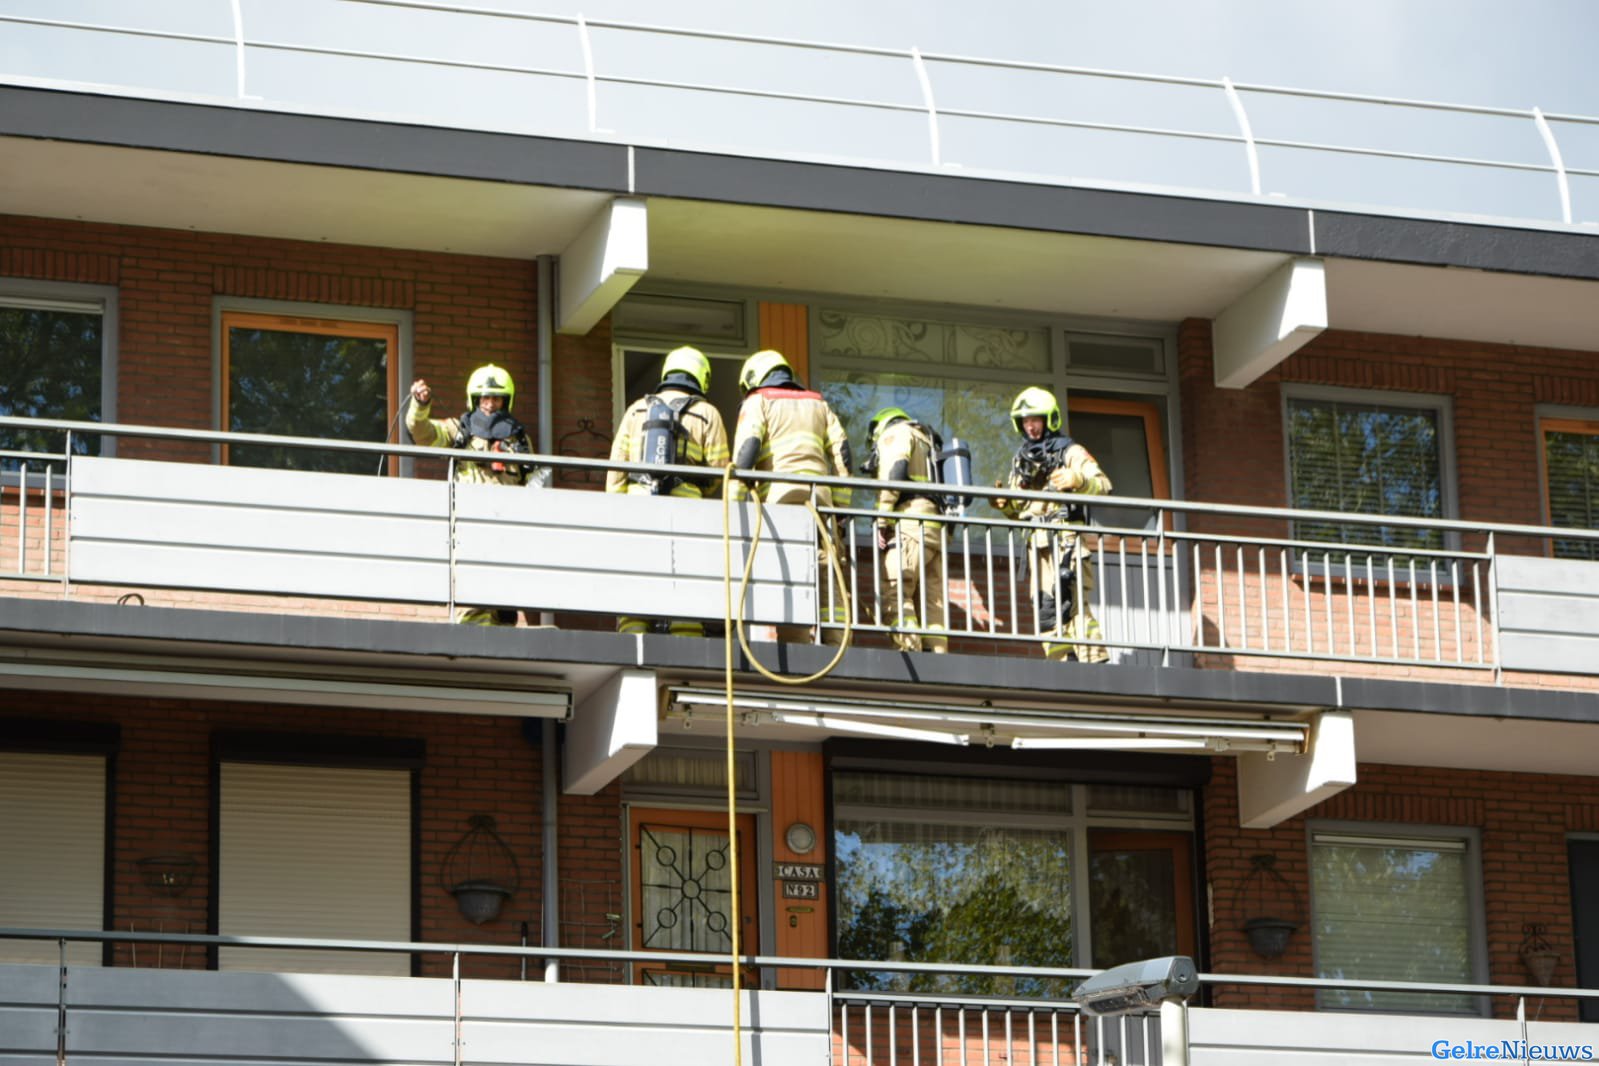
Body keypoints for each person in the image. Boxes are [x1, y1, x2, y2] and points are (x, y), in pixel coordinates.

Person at [606, 345, 731, 637]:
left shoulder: (636, 409)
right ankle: (686, 643)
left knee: (637, 579)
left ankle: (633, 637)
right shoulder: (707, 414)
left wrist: (617, 512)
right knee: (684, 580)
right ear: (702, 377)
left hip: (638, 511)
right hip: (686, 515)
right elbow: (720, 471)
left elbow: (616, 471)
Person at [730, 349, 852, 645]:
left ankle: (795, 643)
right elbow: (843, 454)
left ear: (752, 378)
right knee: (826, 568)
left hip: (779, 499)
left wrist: (734, 506)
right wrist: (842, 509)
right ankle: (837, 641)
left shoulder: (758, 401)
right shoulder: (818, 403)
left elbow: (747, 451)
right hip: (819, 500)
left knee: (787, 570)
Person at [407, 363, 538, 626]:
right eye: (485, 397)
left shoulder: (520, 441)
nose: (490, 403)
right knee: (472, 607)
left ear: (506, 400)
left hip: (506, 534)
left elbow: (533, 485)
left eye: (496, 397)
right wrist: (420, 405)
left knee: (505, 611)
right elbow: (421, 433)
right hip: (469, 532)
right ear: (475, 399)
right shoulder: (459, 430)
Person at [995, 386, 1111, 663]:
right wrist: (1003, 503)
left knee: (1071, 605)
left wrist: (1078, 480)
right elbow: (1018, 512)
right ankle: (1062, 667)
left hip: (1066, 540)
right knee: (1045, 609)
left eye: (1035, 419)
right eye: (1025, 421)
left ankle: (1095, 664)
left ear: (1049, 419)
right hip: (1037, 545)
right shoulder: (1020, 461)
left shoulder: (1069, 451)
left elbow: (1104, 485)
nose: (1031, 426)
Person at [864, 406, 948, 653]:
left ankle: (909, 648)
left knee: (894, 590)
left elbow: (895, 474)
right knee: (933, 601)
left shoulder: (896, 433)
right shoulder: (927, 441)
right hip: (935, 528)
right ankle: (938, 654)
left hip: (909, 524)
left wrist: (882, 521)